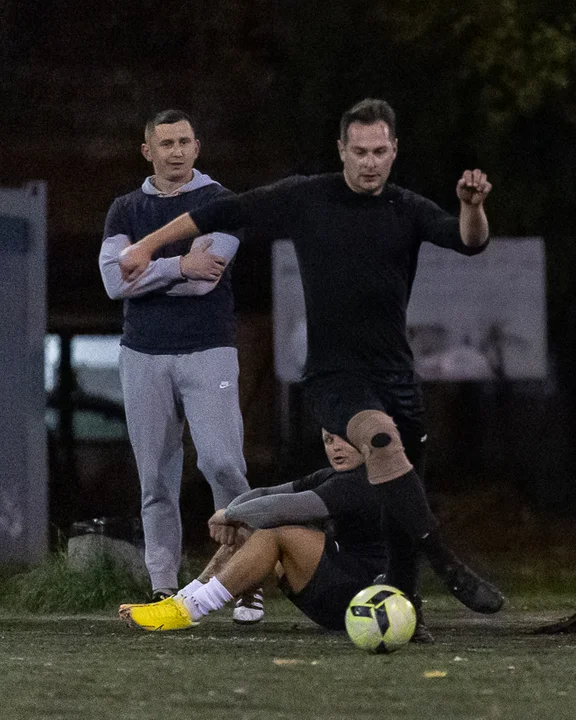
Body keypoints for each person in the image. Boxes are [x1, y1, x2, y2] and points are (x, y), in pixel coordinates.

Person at [117, 98, 505, 629]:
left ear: (394, 152)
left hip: (396, 375)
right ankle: (450, 565)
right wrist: (147, 244)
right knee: (380, 437)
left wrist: (472, 206)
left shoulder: (407, 208)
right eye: (360, 151)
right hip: (334, 376)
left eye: (380, 152)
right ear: (341, 150)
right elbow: (223, 210)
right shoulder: (307, 196)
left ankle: (406, 606)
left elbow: (469, 242)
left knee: (399, 500)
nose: (370, 162)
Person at [99, 109, 262, 623]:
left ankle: (246, 578)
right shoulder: (123, 209)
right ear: (147, 150)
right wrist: (177, 264)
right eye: (165, 142)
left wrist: (146, 268)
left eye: (184, 141)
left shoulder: (221, 202)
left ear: (198, 147)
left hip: (208, 347)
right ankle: (162, 587)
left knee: (222, 464)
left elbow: (205, 278)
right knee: (155, 479)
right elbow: (111, 282)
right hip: (141, 352)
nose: (175, 151)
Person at [120, 430, 397, 634]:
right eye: (328, 440)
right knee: (254, 521)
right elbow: (264, 494)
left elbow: (285, 507)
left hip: (368, 599)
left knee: (273, 530)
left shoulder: (364, 481)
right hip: (343, 592)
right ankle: (184, 599)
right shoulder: (332, 476)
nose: (335, 447)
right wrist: (234, 516)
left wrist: (228, 515)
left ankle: (190, 609)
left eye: (342, 439)